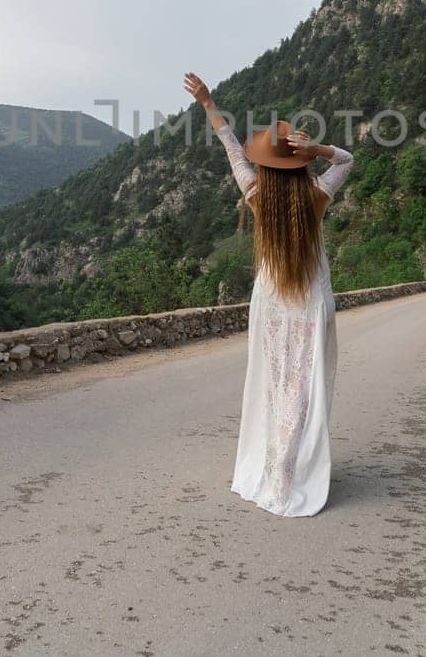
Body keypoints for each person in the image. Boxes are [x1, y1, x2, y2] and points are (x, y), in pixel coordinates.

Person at [182, 72, 354, 517]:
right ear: (300, 167)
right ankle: (288, 470)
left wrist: (208, 103)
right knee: (302, 389)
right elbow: (347, 160)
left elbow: (231, 148)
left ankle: (275, 466)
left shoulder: (257, 196)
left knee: (275, 385)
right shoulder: (317, 194)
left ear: (266, 170)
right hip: (311, 307)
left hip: (272, 307)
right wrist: (318, 150)